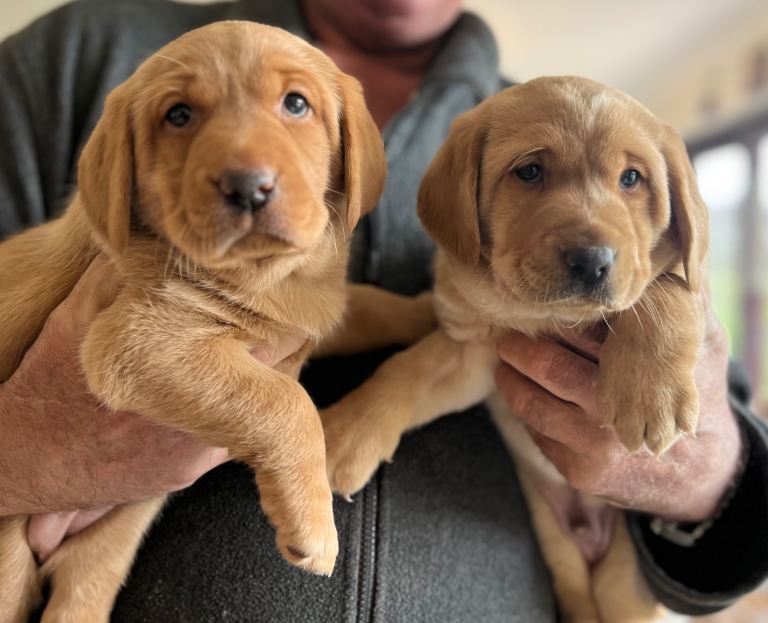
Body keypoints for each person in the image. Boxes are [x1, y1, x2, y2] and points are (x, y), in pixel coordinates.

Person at [0, 0, 766, 620]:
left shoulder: (560, 112)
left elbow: (725, 461)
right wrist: (25, 455)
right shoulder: (83, 56)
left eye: (296, 104)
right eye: (529, 175)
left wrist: (708, 474)